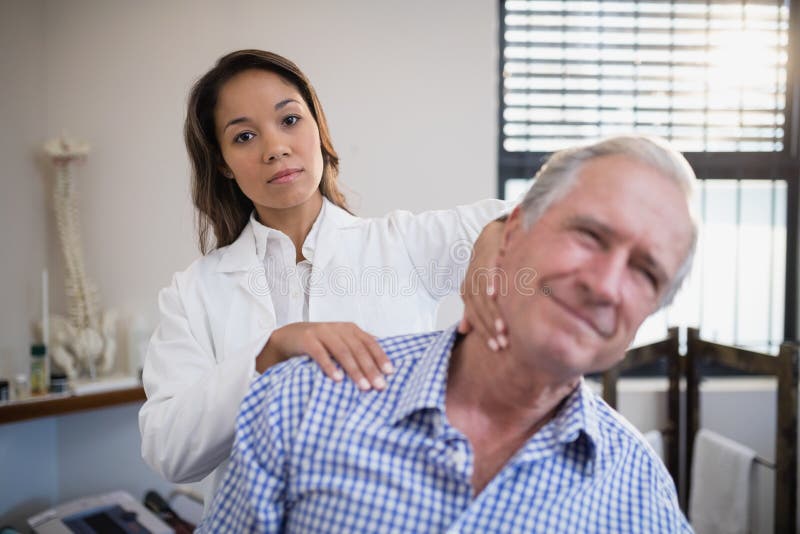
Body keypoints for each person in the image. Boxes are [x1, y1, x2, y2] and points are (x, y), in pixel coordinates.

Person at [200, 135, 697, 533]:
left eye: (646, 272)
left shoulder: (639, 490)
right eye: (590, 235)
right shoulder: (299, 403)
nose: (606, 286)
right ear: (514, 231)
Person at [138, 49, 511, 510]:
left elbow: (556, 210)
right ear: (222, 163)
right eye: (245, 136)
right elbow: (170, 451)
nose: (275, 147)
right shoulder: (193, 292)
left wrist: (500, 233)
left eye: (290, 120)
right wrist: (267, 354)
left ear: (319, 127)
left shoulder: (403, 246)